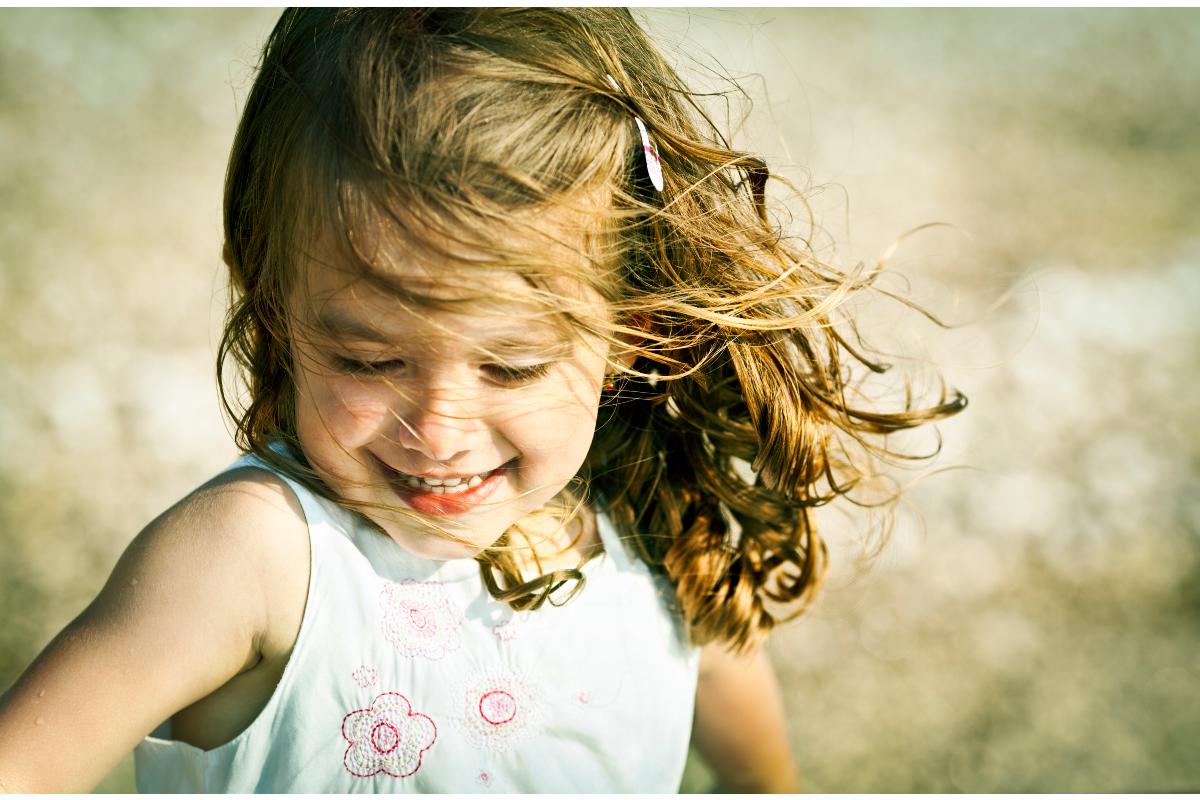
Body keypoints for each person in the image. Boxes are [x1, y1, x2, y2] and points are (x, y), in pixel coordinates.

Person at [0, 8, 965, 793]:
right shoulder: (254, 559)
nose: (440, 430)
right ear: (275, 304)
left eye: (511, 366)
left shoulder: (659, 543)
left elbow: (759, 768)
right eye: (371, 360)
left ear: (632, 329)